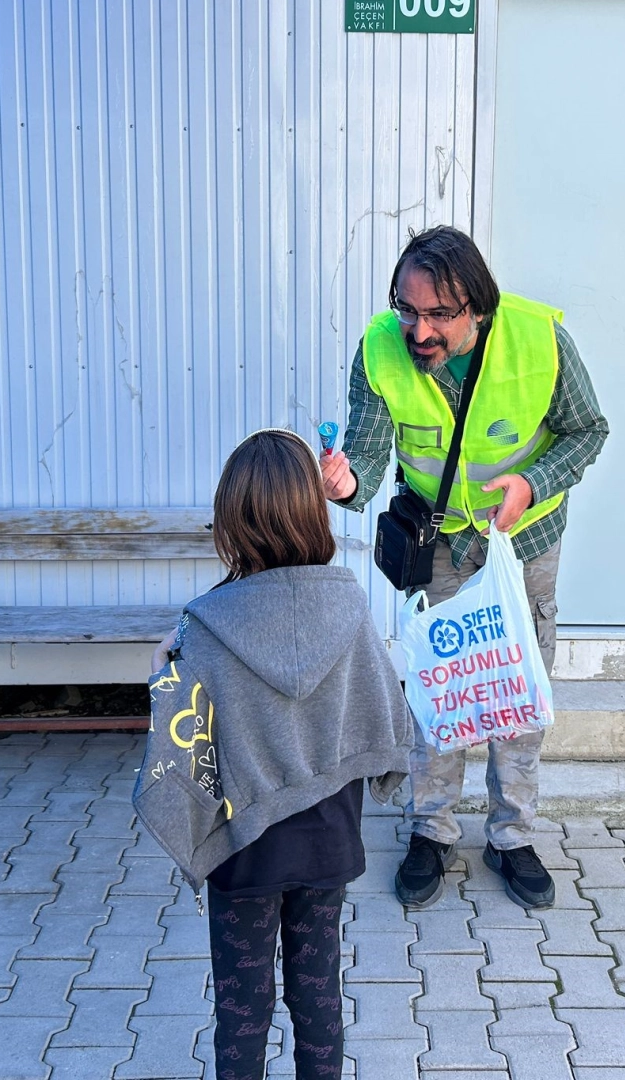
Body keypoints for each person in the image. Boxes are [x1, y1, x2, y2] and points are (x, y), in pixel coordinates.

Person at [320, 225, 608, 912]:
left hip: (523, 542)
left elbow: (587, 431)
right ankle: (431, 830)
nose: (419, 329)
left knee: (514, 690)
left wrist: (532, 484)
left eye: (438, 314)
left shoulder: (540, 340)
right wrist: (343, 483)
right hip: (439, 542)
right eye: (407, 309)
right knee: (437, 691)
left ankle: (511, 837)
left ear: (476, 307)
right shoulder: (379, 349)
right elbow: (365, 454)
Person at [134, 429, 414, 1080]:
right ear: (313, 512)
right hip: (327, 843)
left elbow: (180, 740)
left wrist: (161, 669)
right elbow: (380, 704)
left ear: (231, 521)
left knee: (242, 1006)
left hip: (243, 844)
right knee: (317, 995)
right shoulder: (349, 605)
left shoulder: (202, 623)